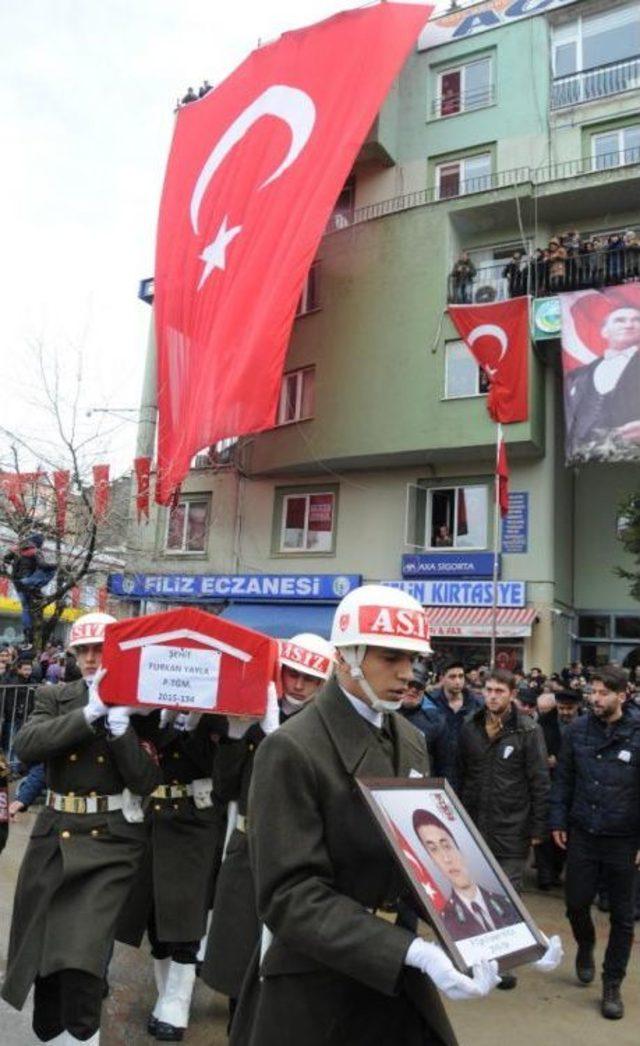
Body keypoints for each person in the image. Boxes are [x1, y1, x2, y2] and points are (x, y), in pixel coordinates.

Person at [230, 586, 502, 1046]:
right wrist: (413, 952)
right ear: (347, 656)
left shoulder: (411, 737)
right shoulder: (292, 748)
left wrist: (495, 932)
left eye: (412, 658)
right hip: (319, 980)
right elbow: (289, 896)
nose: (405, 673)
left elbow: (425, 857)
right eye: (389, 657)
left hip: (394, 975)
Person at [1, 611, 163, 1045]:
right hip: (54, 834)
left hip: (110, 840)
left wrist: (121, 726)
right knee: (43, 956)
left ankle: (82, 1036)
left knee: (82, 958)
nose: (92, 658)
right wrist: (88, 713)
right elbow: (27, 746)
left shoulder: (141, 704)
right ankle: (52, 1036)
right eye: (84, 650)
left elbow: (146, 781)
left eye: (101, 649)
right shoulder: (56, 695)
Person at [200, 632, 335, 1030]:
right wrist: (238, 736)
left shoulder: (326, 729)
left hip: (300, 854)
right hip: (248, 845)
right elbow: (224, 788)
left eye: (309, 679)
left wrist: (279, 740)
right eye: (292, 673)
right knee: (239, 961)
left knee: (288, 966)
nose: (298, 685)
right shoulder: (254, 714)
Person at [117, 708, 224, 1043]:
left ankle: (177, 1003)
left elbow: (221, 769)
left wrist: (192, 724)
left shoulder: (216, 717)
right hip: (151, 817)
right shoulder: (146, 713)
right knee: (152, 914)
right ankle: (166, 994)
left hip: (195, 820)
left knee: (186, 915)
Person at [550, 665, 640, 1020]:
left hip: (624, 838)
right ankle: (585, 945)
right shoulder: (576, 731)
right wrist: (558, 818)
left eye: (603, 693)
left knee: (623, 917)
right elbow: (564, 780)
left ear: (622, 695)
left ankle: (611, 983)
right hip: (584, 832)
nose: (595, 699)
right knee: (575, 904)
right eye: (593, 692)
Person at [457, 668, 550, 989]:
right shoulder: (469, 727)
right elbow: (459, 775)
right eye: (489, 690)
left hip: (513, 827)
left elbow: (539, 781)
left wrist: (538, 828)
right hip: (473, 825)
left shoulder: (528, 731)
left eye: (499, 690)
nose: (492, 696)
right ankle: (479, 958)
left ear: (512, 694)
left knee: (506, 897)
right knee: (476, 894)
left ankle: (505, 962)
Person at [413, 810, 520, 942]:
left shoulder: (505, 903)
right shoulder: (446, 919)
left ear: (460, 849)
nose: (446, 859)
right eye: (433, 850)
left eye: (446, 846)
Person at [564, 305, 640, 457]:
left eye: (636, 320)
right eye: (620, 320)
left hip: (631, 451)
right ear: (604, 331)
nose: (629, 324)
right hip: (583, 454)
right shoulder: (578, 375)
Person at [535, 689, 583, 890]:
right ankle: (546, 875)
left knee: (566, 833)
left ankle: (558, 870)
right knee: (546, 830)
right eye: (561, 708)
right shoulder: (544, 724)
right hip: (549, 784)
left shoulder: (587, 724)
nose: (565, 712)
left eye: (569, 709)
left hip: (576, 786)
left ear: (578, 707)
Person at [429, 662, 483, 791]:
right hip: (438, 772)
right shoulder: (430, 702)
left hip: (469, 776)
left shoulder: (477, 704)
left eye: (461, 676)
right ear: (442, 679)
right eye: (452, 677)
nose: (458, 681)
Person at [400, 660, 448, 773]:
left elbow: (444, 764)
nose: (413, 690)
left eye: (419, 686)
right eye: (410, 684)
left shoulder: (435, 722)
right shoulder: (383, 715)